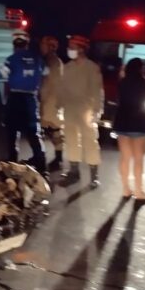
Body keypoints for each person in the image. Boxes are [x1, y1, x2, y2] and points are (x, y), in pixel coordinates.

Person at [59, 35, 104, 187]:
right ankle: (73, 172)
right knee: (71, 141)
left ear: (81, 49)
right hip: (69, 109)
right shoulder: (67, 67)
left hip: (86, 110)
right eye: (69, 46)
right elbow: (62, 89)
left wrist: (97, 111)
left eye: (72, 47)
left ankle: (94, 176)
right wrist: (59, 106)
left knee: (90, 141)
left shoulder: (92, 68)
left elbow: (97, 91)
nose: (69, 50)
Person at [2, 30, 47, 176]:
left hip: (15, 99)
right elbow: (46, 73)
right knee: (34, 134)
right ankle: (42, 167)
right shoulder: (38, 59)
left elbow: (1, 74)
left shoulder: (11, 59)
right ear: (26, 44)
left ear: (14, 44)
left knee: (12, 133)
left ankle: (12, 165)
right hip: (30, 100)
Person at [113, 58, 145, 202]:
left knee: (125, 157)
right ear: (140, 68)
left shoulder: (122, 82)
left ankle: (125, 189)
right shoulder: (144, 83)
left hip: (122, 123)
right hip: (139, 123)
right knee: (138, 159)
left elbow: (118, 100)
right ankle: (138, 191)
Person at [39, 35, 64, 171]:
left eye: (43, 44)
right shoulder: (50, 61)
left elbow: (49, 84)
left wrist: (40, 96)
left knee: (54, 131)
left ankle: (57, 159)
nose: (41, 47)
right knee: (51, 131)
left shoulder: (53, 62)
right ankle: (55, 158)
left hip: (50, 102)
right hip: (49, 101)